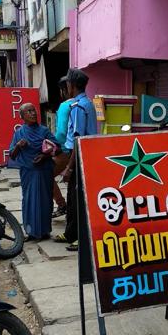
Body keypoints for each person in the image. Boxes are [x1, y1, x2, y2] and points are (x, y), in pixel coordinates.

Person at [54, 68, 97, 251]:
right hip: (81, 155)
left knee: (79, 198)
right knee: (72, 197)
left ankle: (82, 236)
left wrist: (69, 168)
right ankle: (71, 233)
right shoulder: (85, 103)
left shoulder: (79, 107)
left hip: (80, 157)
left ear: (71, 86)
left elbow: (78, 140)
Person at [8, 103, 57, 241]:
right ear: (22, 116)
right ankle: (31, 232)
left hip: (44, 170)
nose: (33, 113)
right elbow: (12, 155)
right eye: (29, 111)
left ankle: (45, 231)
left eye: (33, 110)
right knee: (29, 200)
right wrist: (18, 145)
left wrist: (44, 156)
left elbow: (57, 148)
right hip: (28, 172)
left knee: (45, 200)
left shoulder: (44, 131)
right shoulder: (19, 133)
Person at [50, 76, 71, 218]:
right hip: (78, 149)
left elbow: (61, 132)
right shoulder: (85, 103)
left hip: (64, 150)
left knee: (46, 175)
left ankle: (61, 204)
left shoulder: (65, 106)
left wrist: (53, 146)